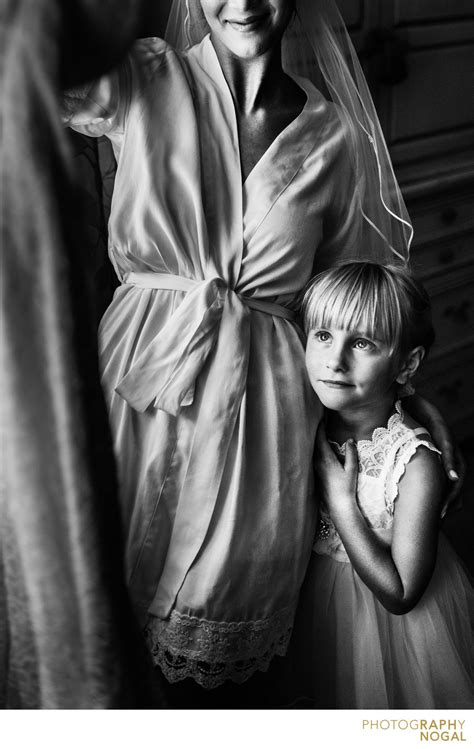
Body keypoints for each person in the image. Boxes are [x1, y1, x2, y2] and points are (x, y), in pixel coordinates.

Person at [62, 0, 460, 705]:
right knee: (98, 634)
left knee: (208, 668)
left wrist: (401, 397)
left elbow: (351, 294)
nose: (243, 1)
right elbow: (39, 60)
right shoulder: (145, 77)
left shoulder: (332, 136)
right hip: (137, 393)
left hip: (262, 422)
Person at [290, 261, 473, 709]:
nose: (335, 360)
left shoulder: (415, 464)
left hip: (390, 633)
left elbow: (401, 594)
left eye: (362, 342)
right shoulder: (305, 418)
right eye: (323, 335)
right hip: (315, 612)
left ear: (406, 364)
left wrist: (341, 503)